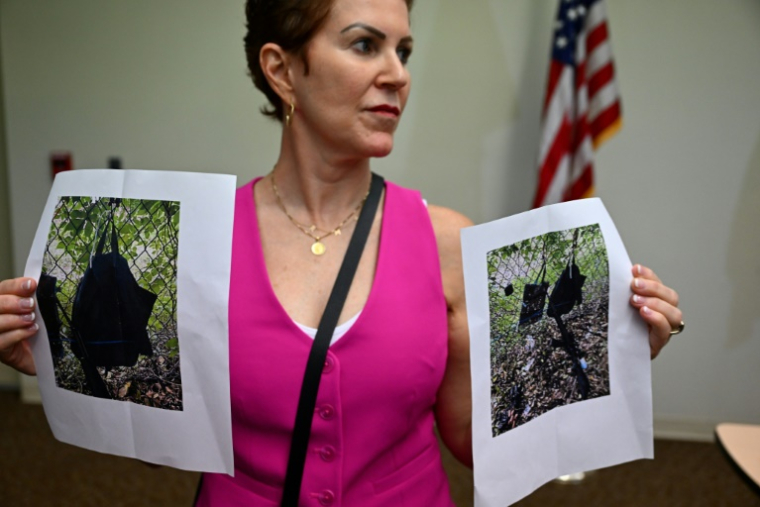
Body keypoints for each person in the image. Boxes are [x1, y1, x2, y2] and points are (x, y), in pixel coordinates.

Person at [0, 0, 684, 505]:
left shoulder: (447, 241)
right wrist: (65, 364)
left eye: (404, 51)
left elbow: (480, 443)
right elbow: (164, 446)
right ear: (283, 70)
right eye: (365, 46)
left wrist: (623, 350)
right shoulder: (197, 243)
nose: (397, 75)